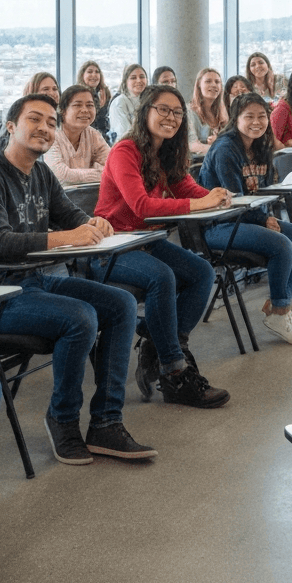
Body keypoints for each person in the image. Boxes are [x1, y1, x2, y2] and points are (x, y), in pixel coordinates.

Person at [0, 92, 153, 464]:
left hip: (34, 282)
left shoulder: (41, 173)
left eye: (50, 122)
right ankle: (61, 419)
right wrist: (70, 236)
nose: (45, 128)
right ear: (10, 126)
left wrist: (92, 223)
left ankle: (107, 422)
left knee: (120, 304)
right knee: (80, 317)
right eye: (34, 119)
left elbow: (69, 216)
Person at [94, 83, 231, 409]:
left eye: (177, 112)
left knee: (201, 272)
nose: (171, 117)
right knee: (162, 278)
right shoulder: (125, 151)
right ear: (146, 112)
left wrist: (219, 197)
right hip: (112, 246)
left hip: (147, 241)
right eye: (163, 110)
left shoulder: (166, 151)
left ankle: (158, 343)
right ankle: (174, 371)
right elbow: (141, 206)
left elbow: (189, 188)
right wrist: (200, 205)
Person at [199, 93, 292, 344]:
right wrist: (263, 220)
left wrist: (263, 218)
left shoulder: (261, 144)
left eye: (262, 116)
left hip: (250, 219)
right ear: (235, 119)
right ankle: (281, 311)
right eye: (248, 116)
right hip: (220, 224)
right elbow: (236, 198)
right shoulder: (225, 149)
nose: (257, 122)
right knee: (282, 244)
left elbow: (260, 191)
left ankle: (277, 304)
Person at [43, 84, 109, 185]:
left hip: (87, 196)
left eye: (90, 105)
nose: (85, 110)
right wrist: (98, 172)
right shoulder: (50, 135)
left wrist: (75, 175)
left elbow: (115, 167)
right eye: (77, 105)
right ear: (63, 110)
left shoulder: (93, 134)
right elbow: (61, 175)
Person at [186, 67, 228, 155]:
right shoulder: (189, 111)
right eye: (208, 81)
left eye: (217, 82)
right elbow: (192, 145)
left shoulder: (223, 113)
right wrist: (220, 147)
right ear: (199, 85)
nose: (213, 85)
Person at [108, 63, 149, 139]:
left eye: (142, 77)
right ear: (126, 82)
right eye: (133, 78)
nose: (139, 80)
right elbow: (124, 134)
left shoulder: (149, 100)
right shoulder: (119, 102)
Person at [77, 60, 111, 140]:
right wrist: (99, 108)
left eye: (97, 72)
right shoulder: (78, 94)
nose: (94, 75)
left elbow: (105, 124)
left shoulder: (104, 93)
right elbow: (85, 125)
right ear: (82, 75)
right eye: (90, 72)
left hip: (103, 137)